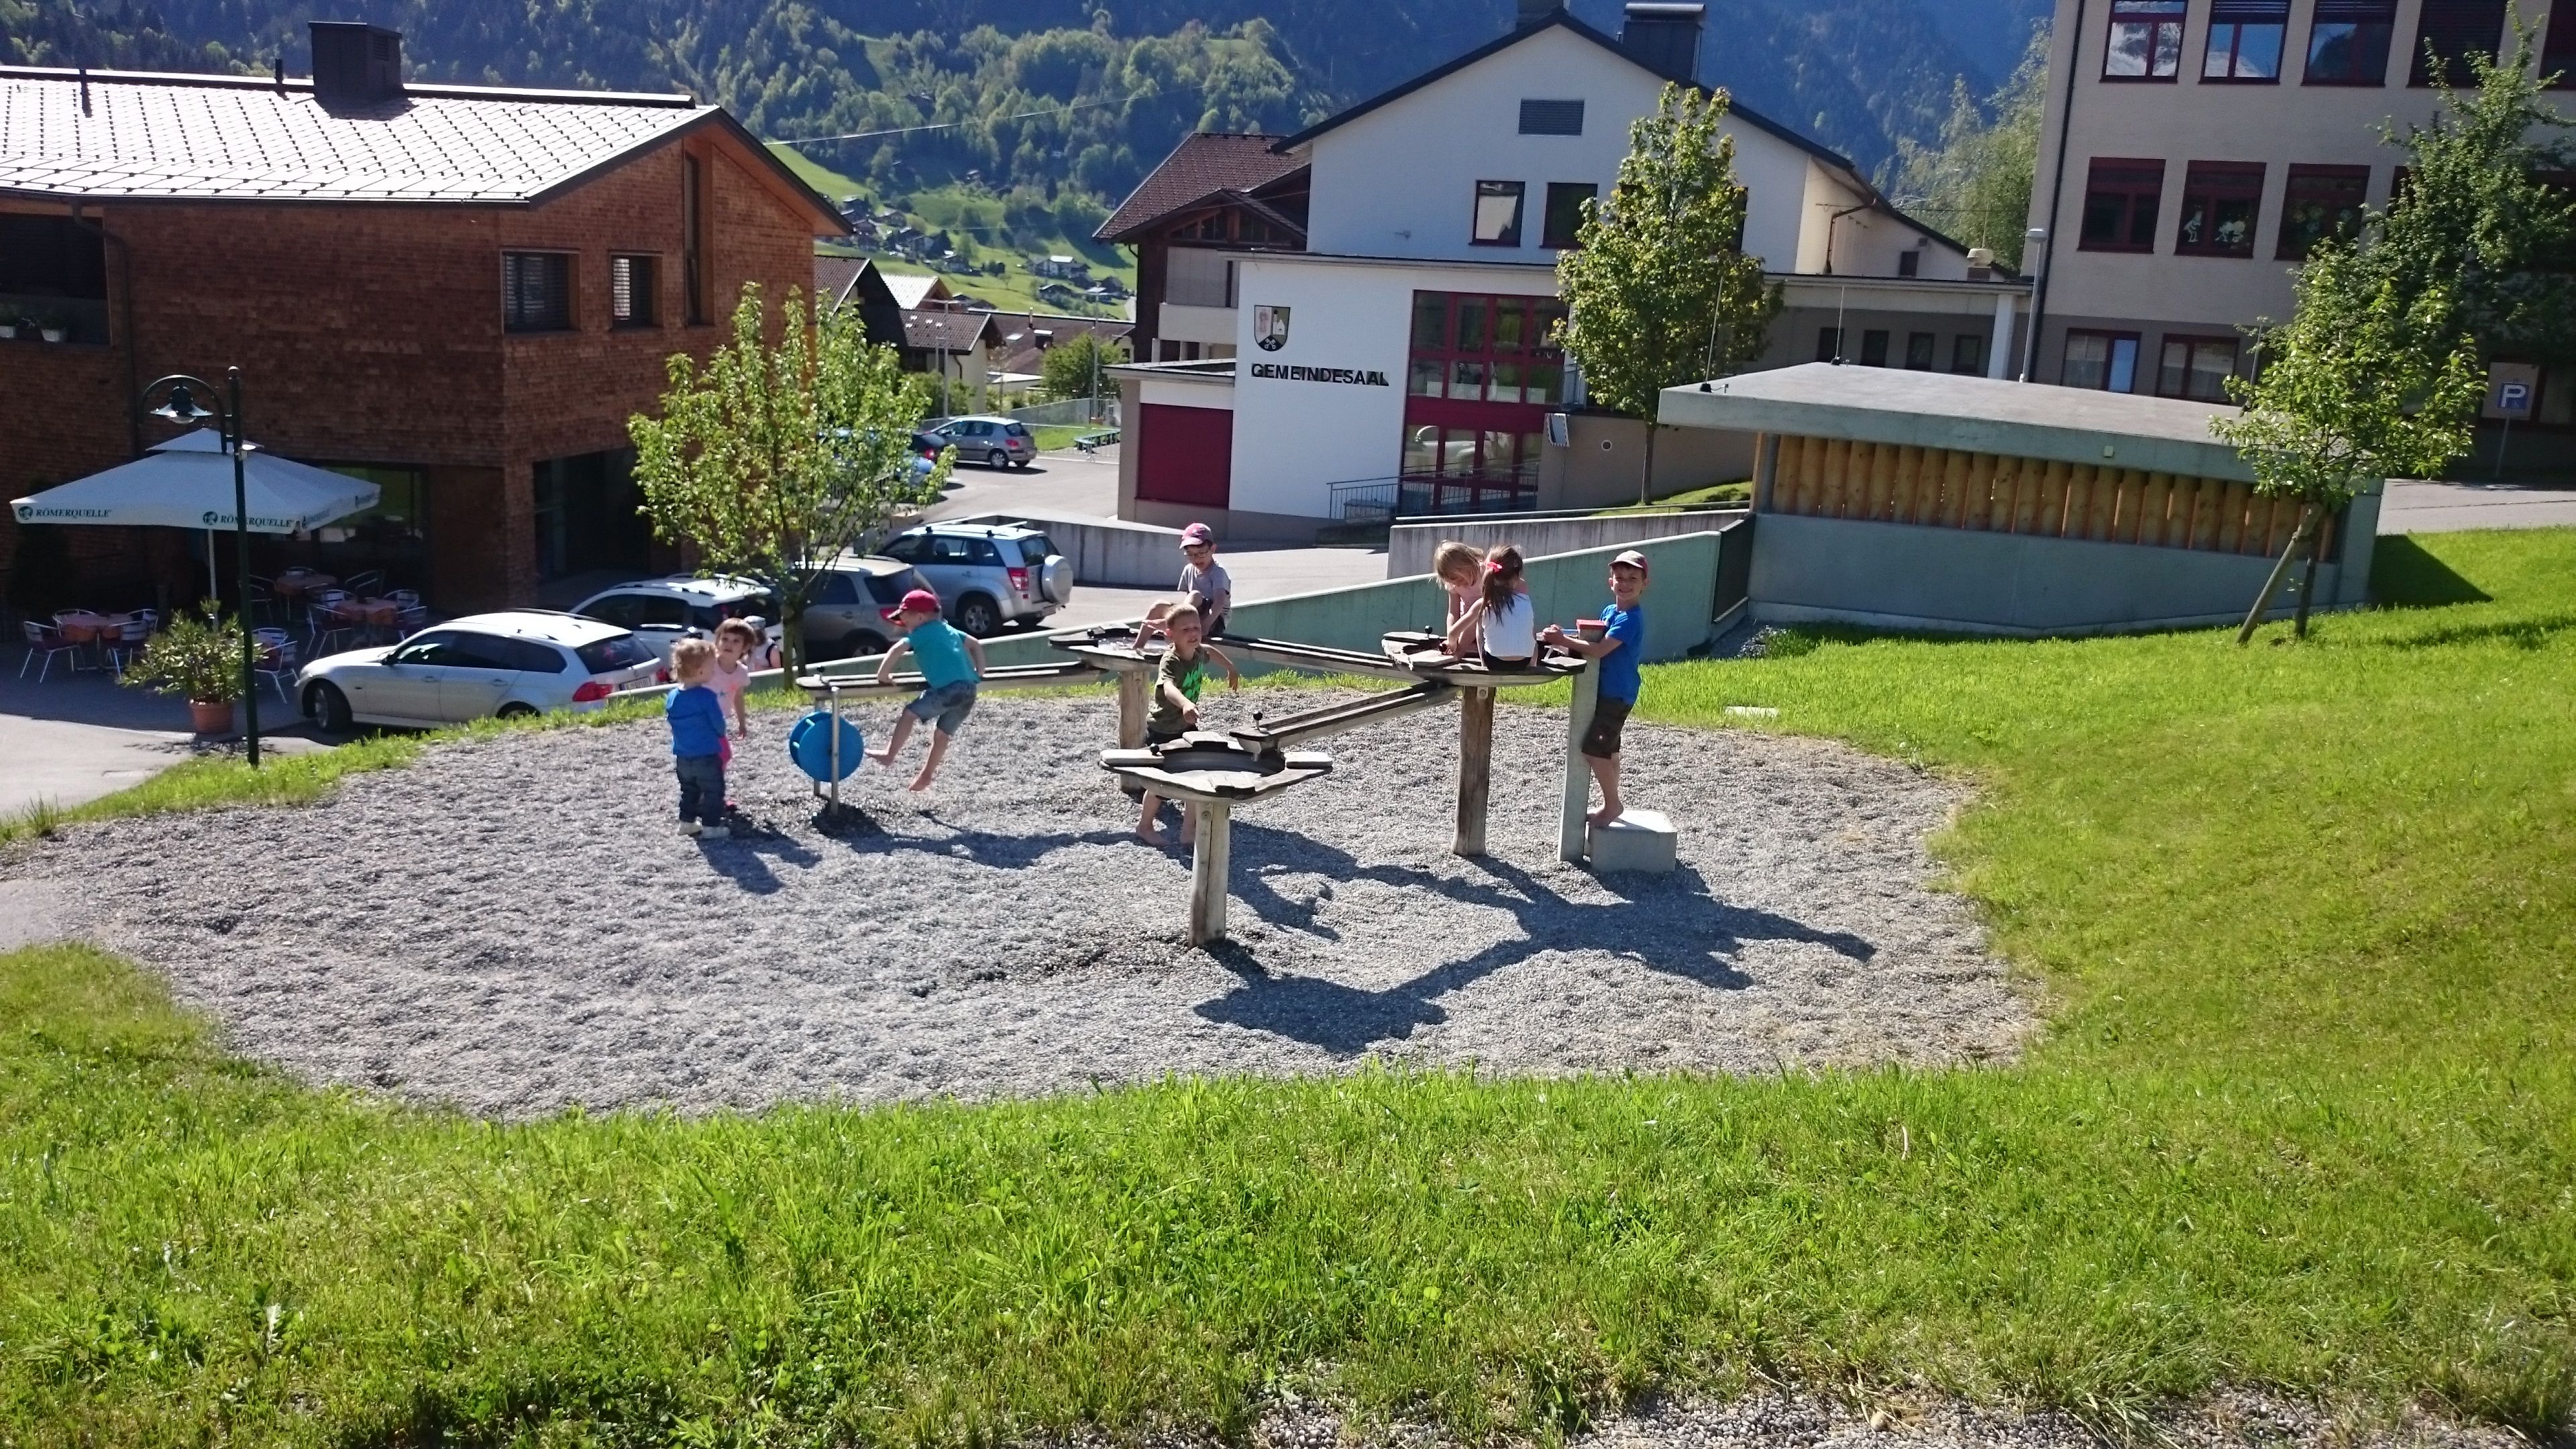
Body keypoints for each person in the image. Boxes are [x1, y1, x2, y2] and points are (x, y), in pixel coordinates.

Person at [1540, 549, 1648, 827]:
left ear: (1644, 584)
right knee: (1609, 751)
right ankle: (1609, 802)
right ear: (1610, 582)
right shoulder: (1611, 611)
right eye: (1619, 577)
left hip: (1616, 694)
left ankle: (1613, 805)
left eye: (1632, 578)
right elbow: (1593, 639)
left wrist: (1563, 640)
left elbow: (1599, 650)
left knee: (1593, 750)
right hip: (1609, 692)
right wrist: (1565, 637)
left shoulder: (1630, 619)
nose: (1625, 583)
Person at [1136, 601, 1239, 848]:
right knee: (1161, 784)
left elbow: (1210, 650)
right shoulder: (1171, 661)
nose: (1193, 633)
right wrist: (1185, 704)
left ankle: (1188, 831)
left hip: (1186, 727)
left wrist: (1231, 669)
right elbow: (1168, 687)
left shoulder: (1197, 651)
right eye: (1185, 630)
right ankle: (1144, 826)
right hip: (1163, 730)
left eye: (1196, 628)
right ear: (1170, 634)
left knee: (1195, 777)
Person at [869, 588, 987, 791]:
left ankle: (889, 754)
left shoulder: (921, 633)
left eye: (906, 620)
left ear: (920, 617)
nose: (905, 626)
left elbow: (897, 649)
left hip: (950, 690)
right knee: (942, 735)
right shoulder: (948, 629)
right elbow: (975, 644)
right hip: (969, 689)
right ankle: (926, 776)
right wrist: (980, 672)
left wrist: (883, 676)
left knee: (909, 714)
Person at [665, 637, 729, 839]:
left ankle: (687, 822)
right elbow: (719, 725)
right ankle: (711, 826)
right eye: (712, 667)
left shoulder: (672, 697)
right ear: (700, 671)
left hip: (683, 757)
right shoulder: (707, 697)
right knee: (713, 791)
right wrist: (721, 734)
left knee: (689, 790)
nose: (714, 671)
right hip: (706, 755)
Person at [1444, 544, 1534, 669]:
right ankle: (1533, 666)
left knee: (1479, 622)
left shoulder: (1484, 603)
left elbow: (1453, 633)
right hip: (1524, 661)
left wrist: (1452, 643)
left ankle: (1484, 667)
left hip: (1494, 661)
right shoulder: (1525, 600)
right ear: (1517, 577)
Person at [1177, 522, 1233, 638]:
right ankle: (1139, 645)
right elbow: (1188, 601)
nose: (1196, 559)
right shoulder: (1188, 570)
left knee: (1195, 595)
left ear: (1212, 549)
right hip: (1195, 616)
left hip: (1214, 620)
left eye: (1201, 553)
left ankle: (1174, 624)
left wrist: (1206, 626)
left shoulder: (1218, 572)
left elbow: (1219, 602)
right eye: (1190, 554)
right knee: (1159, 606)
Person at [1431, 541, 1482, 635]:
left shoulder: (1484, 575)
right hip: (1464, 627)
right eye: (1452, 583)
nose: (1457, 585)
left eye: (1459, 580)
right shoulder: (1453, 585)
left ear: (1467, 565)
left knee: (1478, 615)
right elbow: (1453, 612)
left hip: (1483, 624)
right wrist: (1451, 632)